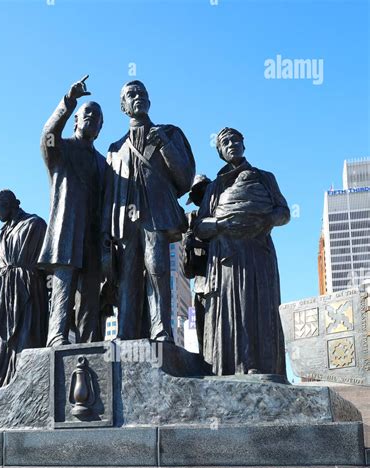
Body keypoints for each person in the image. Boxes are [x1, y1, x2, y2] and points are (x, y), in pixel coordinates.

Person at [102, 80, 195, 341]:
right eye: (131, 94)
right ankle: (125, 333)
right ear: (123, 106)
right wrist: (105, 232)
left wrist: (165, 145)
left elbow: (185, 178)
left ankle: (161, 330)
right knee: (127, 276)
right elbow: (108, 195)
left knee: (157, 268)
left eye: (142, 93)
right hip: (125, 221)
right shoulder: (115, 148)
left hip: (155, 214)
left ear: (150, 101)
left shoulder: (170, 133)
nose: (138, 97)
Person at [194, 127, 289, 376]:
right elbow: (200, 226)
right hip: (227, 258)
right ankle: (228, 369)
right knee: (230, 311)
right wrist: (221, 224)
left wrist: (262, 220)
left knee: (259, 307)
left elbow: (284, 212)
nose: (232, 144)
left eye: (235, 140)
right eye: (225, 142)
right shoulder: (215, 187)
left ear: (244, 144)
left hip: (258, 253)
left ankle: (265, 367)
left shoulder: (265, 178)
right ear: (220, 152)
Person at [38, 75, 105, 346]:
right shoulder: (61, 150)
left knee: (91, 293)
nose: (91, 118)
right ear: (75, 120)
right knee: (63, 287)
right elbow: (47, 135)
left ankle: (90, 342)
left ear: (100, 129)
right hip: (67, 230)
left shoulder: (104, 163)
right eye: (86, 113)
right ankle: (57, 336)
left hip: (93, 235)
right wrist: (68, 102)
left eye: (97, 117)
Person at [0, 189, 48, 389]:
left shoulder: (34, 224)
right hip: (3, 292)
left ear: (8, 204)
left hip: (27, 287)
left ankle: (24, 384)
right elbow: (2, 264)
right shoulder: (3, 232)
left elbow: (44, 263)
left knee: (25, 337)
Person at [182, 174, 212, 354]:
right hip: (200, 289)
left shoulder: (220, 215)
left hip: (220, 286)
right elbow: (189, 272)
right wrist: (188, 248)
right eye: (196, 196)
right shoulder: (192, 219)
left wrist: (198, 244)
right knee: (202, 338)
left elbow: (224, 247)